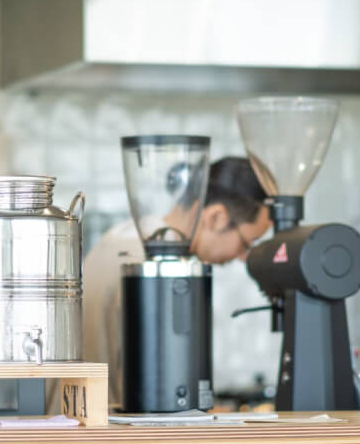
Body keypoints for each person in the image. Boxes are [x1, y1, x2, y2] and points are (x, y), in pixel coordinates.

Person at [83, 156, 271, 407]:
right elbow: (167, 396)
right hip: (120, 434)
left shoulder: (120, 237)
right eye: (246, 243)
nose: (242, 257)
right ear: (216, 217)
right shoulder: (161, 270)